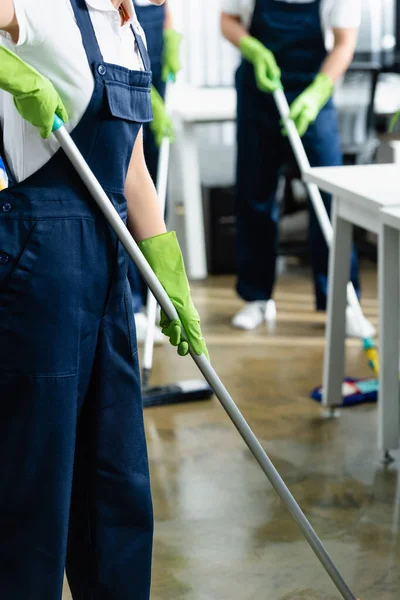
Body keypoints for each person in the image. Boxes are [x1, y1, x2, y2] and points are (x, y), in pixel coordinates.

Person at [0, 1, 207, 598]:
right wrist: (10, 70)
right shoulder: (44, 8)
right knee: (33, 490)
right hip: (41, 266)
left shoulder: (132, 29)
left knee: (114, 484)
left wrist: (166, 271)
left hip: (112, 261)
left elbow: (133, 171)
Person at [221, 0, 375, 337]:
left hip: (313, 88)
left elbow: (344, 43)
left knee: (331, 198)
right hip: (258, 92)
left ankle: (343, 302)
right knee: (254, 193)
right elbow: (228, 21)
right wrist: (252, 47)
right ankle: (257, 297)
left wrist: (319, 91)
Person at [130, 0, 181, 341]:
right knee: (123, 196)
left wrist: (171, 36)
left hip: (156, 76)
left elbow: (164, 10)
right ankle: (132, 303)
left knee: (150, 192)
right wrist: (146, 95)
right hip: (124, 85)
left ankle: (154, 301)